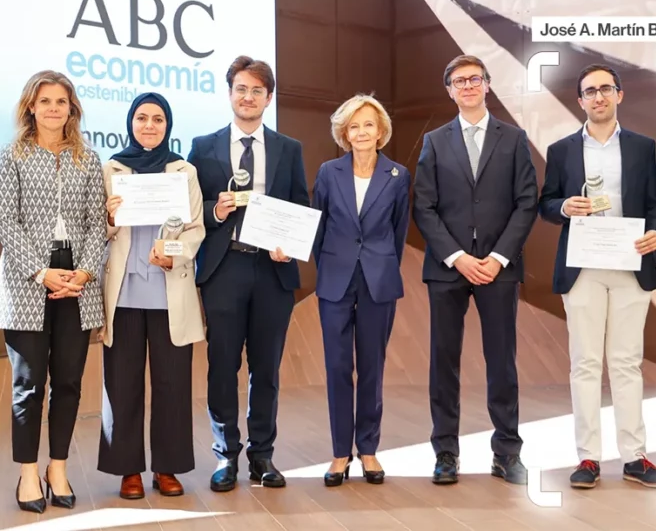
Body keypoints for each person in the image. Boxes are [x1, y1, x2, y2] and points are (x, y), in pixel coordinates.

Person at [539, 64, 656, 490]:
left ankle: (635, 457)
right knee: (586, 362)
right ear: (580, 101)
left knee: (627, 362)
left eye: (605, 89)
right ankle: (589, 458)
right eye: (589, 91)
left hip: (631, 262)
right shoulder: (561, 150)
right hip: (583, 267)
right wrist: (564, 208)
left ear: (619, 95)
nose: (598, 97)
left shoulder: (640, 146)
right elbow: (545, 203)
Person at [412, 54, 538, 485]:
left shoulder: (514, 138)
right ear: (449, 90)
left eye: (475, 79)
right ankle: (445, 452)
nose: (467, 86)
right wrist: (458, 257)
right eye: (458, 81)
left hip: (498, 269)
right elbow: (423, 207)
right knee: (443, 362)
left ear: (487, 85)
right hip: (448, 269)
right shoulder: (433, 141)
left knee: (501, 361)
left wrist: (498, 257)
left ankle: (507, 452)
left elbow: (526, 202)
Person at [187, 55, 310, 492]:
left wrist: (290, 245)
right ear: (229, 93)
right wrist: (214, 210)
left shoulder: (288, 148)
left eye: (258, 90)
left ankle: (262, 456)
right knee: (222, 367)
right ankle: (226, 457)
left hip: (272, 271)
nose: (249, 96)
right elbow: (189, 208)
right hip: (224, 268)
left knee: (266, 369)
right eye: (241, 88)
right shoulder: (203, 146)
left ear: (268, 98)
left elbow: (300, 205)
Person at [0, 70, 106, 512]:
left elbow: (97, 223)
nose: (53, 109)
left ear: (72, 109)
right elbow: (8, 223)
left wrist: (83, 273)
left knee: (68, 382)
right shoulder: (12, 157)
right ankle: (27, 471)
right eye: (44, 101)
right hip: (29, 282)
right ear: (30, 107)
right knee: (28, 384)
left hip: (77, 284)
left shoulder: (89, 159)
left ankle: (57, 467)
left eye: (61, 101)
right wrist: (41, 272)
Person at [98, 92, 206, 499]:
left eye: (157, 119)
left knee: (173, 385)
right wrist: (109, 216)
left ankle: (167, 468)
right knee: (121, 386)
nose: (148, 125)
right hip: (124, 294)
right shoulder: (112, 169)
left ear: (167, 125)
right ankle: (128, 469)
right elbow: (99, 230)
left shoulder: (184, 171)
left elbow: (194, 231)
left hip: (168, 292)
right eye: (141, 117)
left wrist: (171, 252)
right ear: (130, 122)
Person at [311, 94, 410, 487]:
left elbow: (399, 233)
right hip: (334, 280)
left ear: (381, 130)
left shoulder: (398, 176)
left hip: (378, 281)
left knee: (372, 367)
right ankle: (340, 453)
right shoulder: (327, 172)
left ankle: (368, 449)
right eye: (354, 126)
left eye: (369, 124)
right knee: (337, 368)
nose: (362, 132)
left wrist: (380, 265)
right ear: (344, 133)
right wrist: (332, 266)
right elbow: (317, 226)